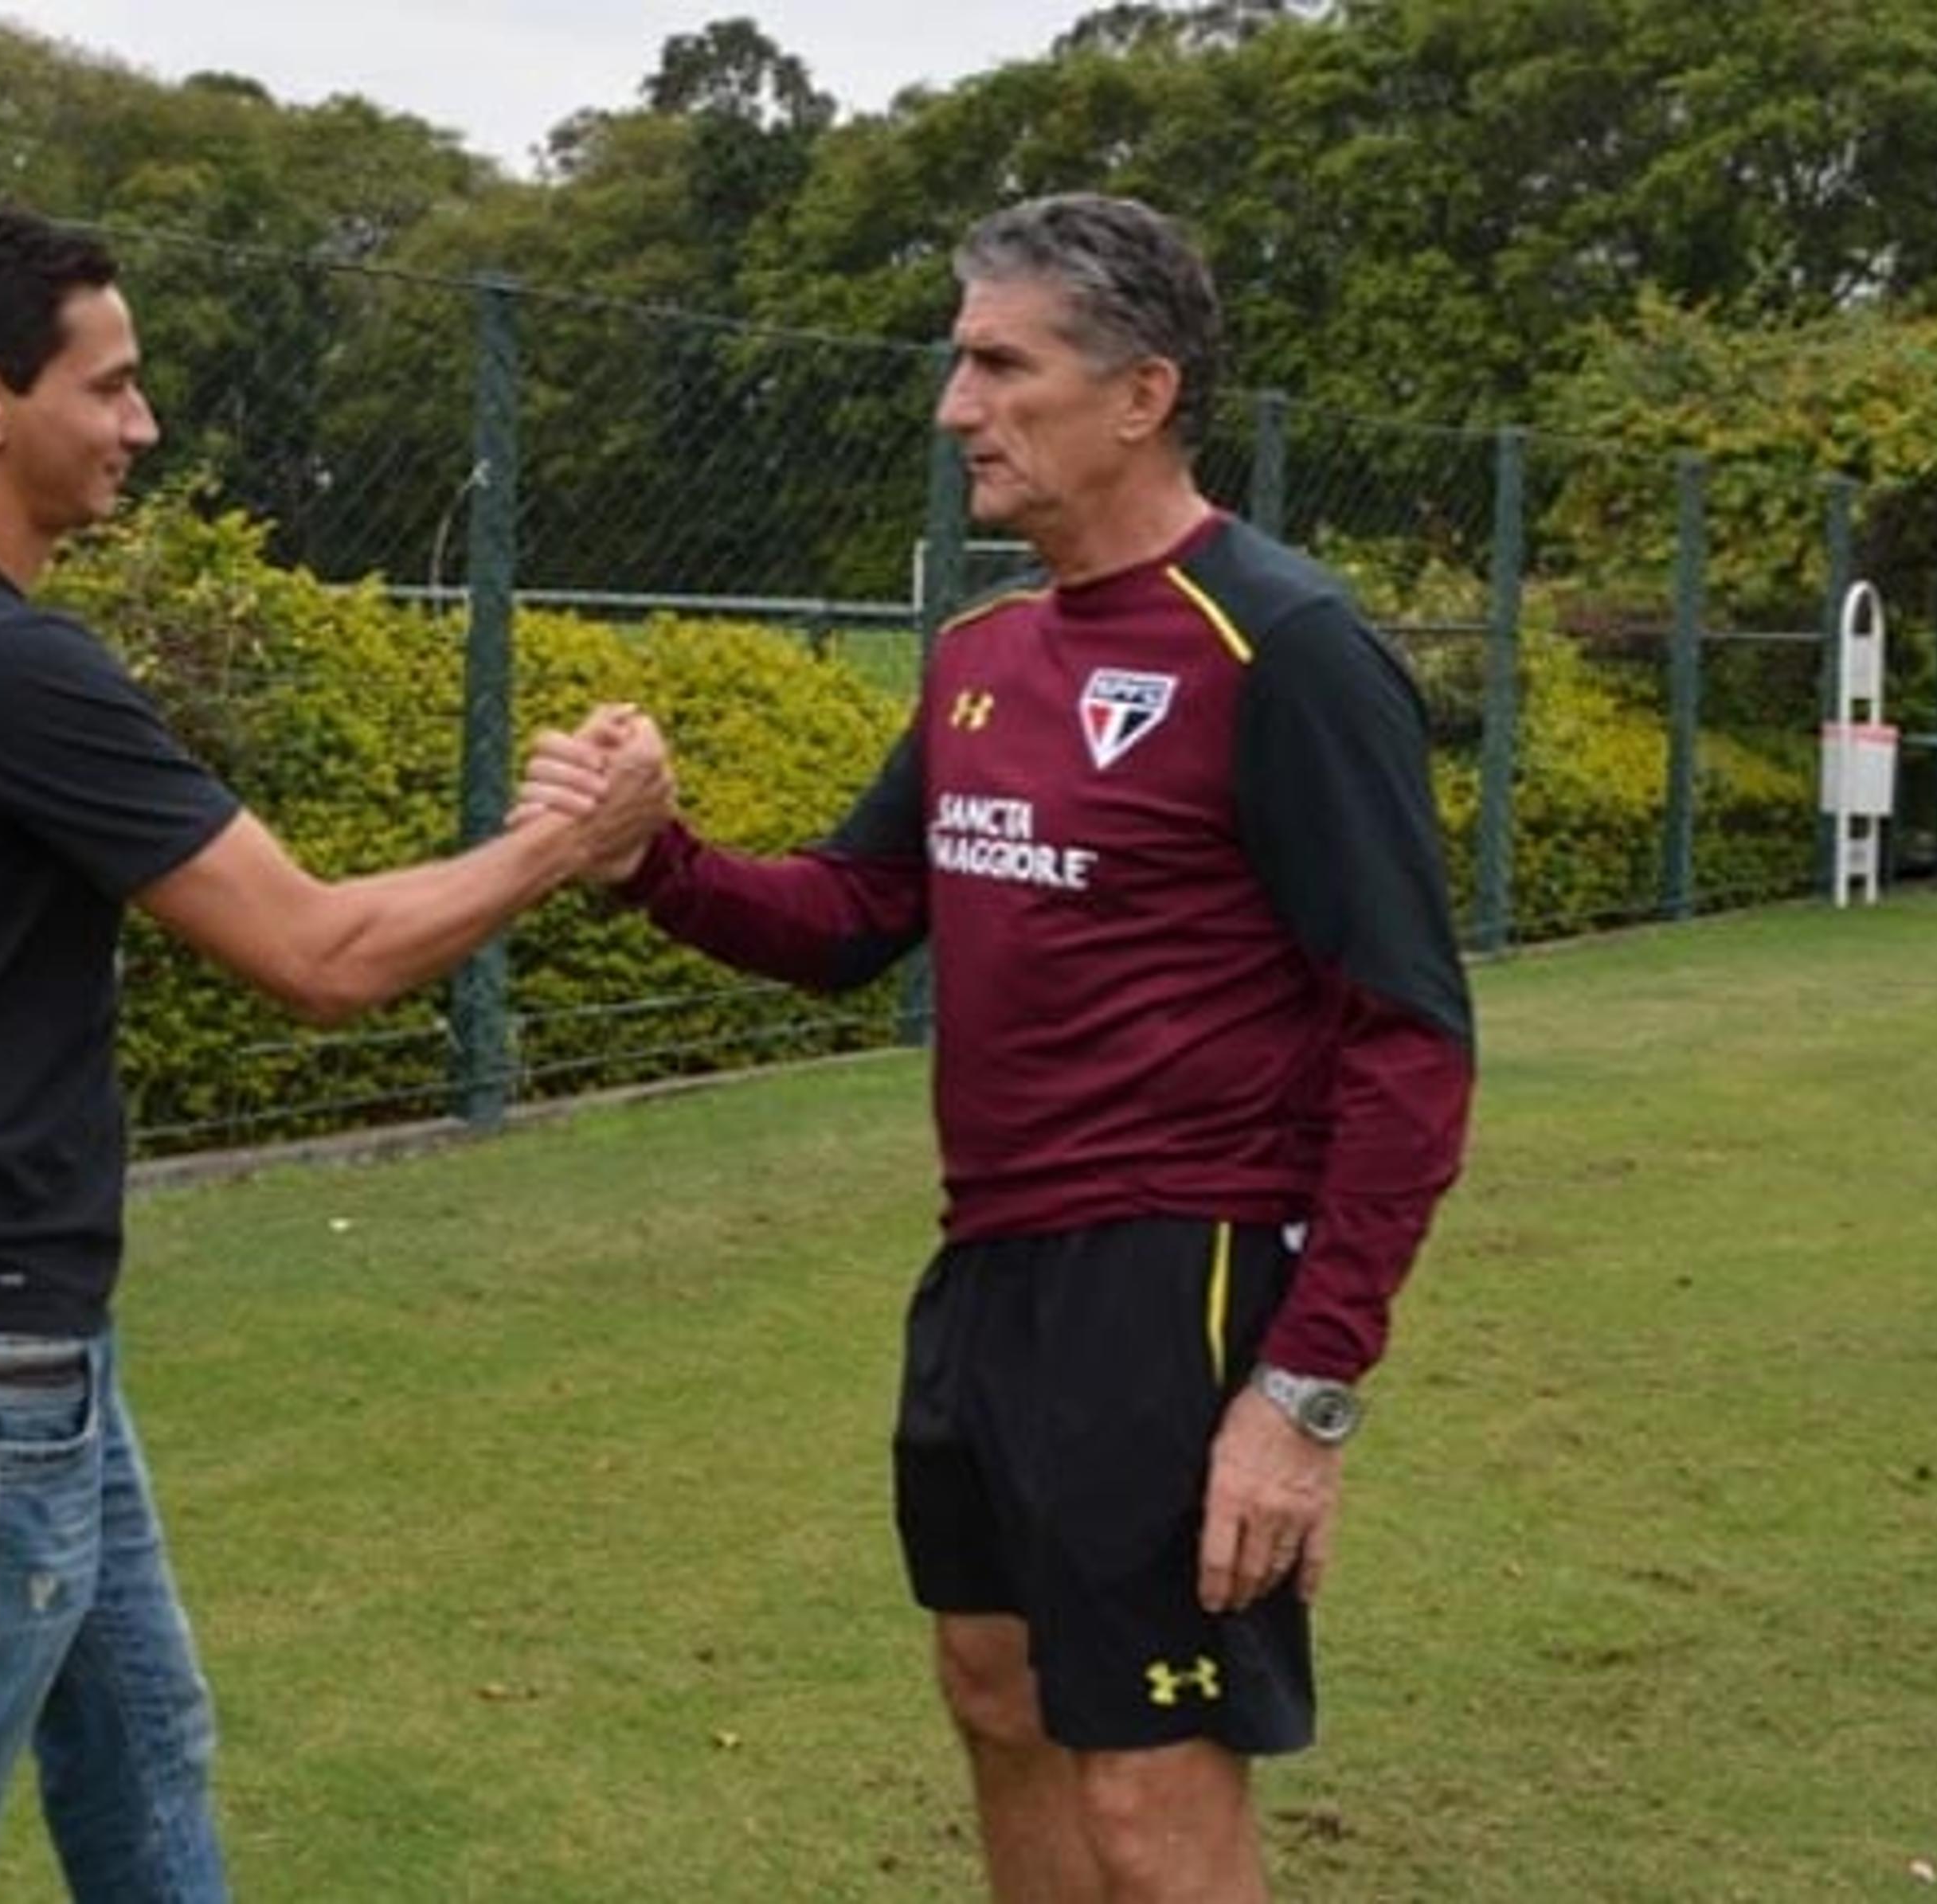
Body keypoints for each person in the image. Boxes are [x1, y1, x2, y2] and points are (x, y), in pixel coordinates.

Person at [523, 193, 1474, 1902]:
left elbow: (1408, 1039)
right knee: (997, 1695)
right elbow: (849, 913)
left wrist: (1303, 1390)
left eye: (997, 364)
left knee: (1148, 1793)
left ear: (1141, 394)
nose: (956, 405)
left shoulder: (1289, 646)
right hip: (990, 1270)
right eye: (959, 362)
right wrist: (645, 860)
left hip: (1178, 1275)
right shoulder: (981, 653)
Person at [0, 205, 667, 1904]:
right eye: (113, 383)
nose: (144, 425)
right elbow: (316, 955)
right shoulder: (6, 660)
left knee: (142, 1749)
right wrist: (565, 839)